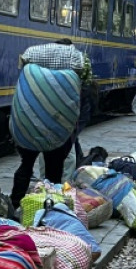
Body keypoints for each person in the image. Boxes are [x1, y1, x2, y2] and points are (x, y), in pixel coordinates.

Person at [9, 39, 85, 207]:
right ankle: (50, 206)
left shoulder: (32, 66)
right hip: (57, 131)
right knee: (54, 171)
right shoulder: (73, 70)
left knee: (25, 166)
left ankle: (15, 203)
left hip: (29, 127)